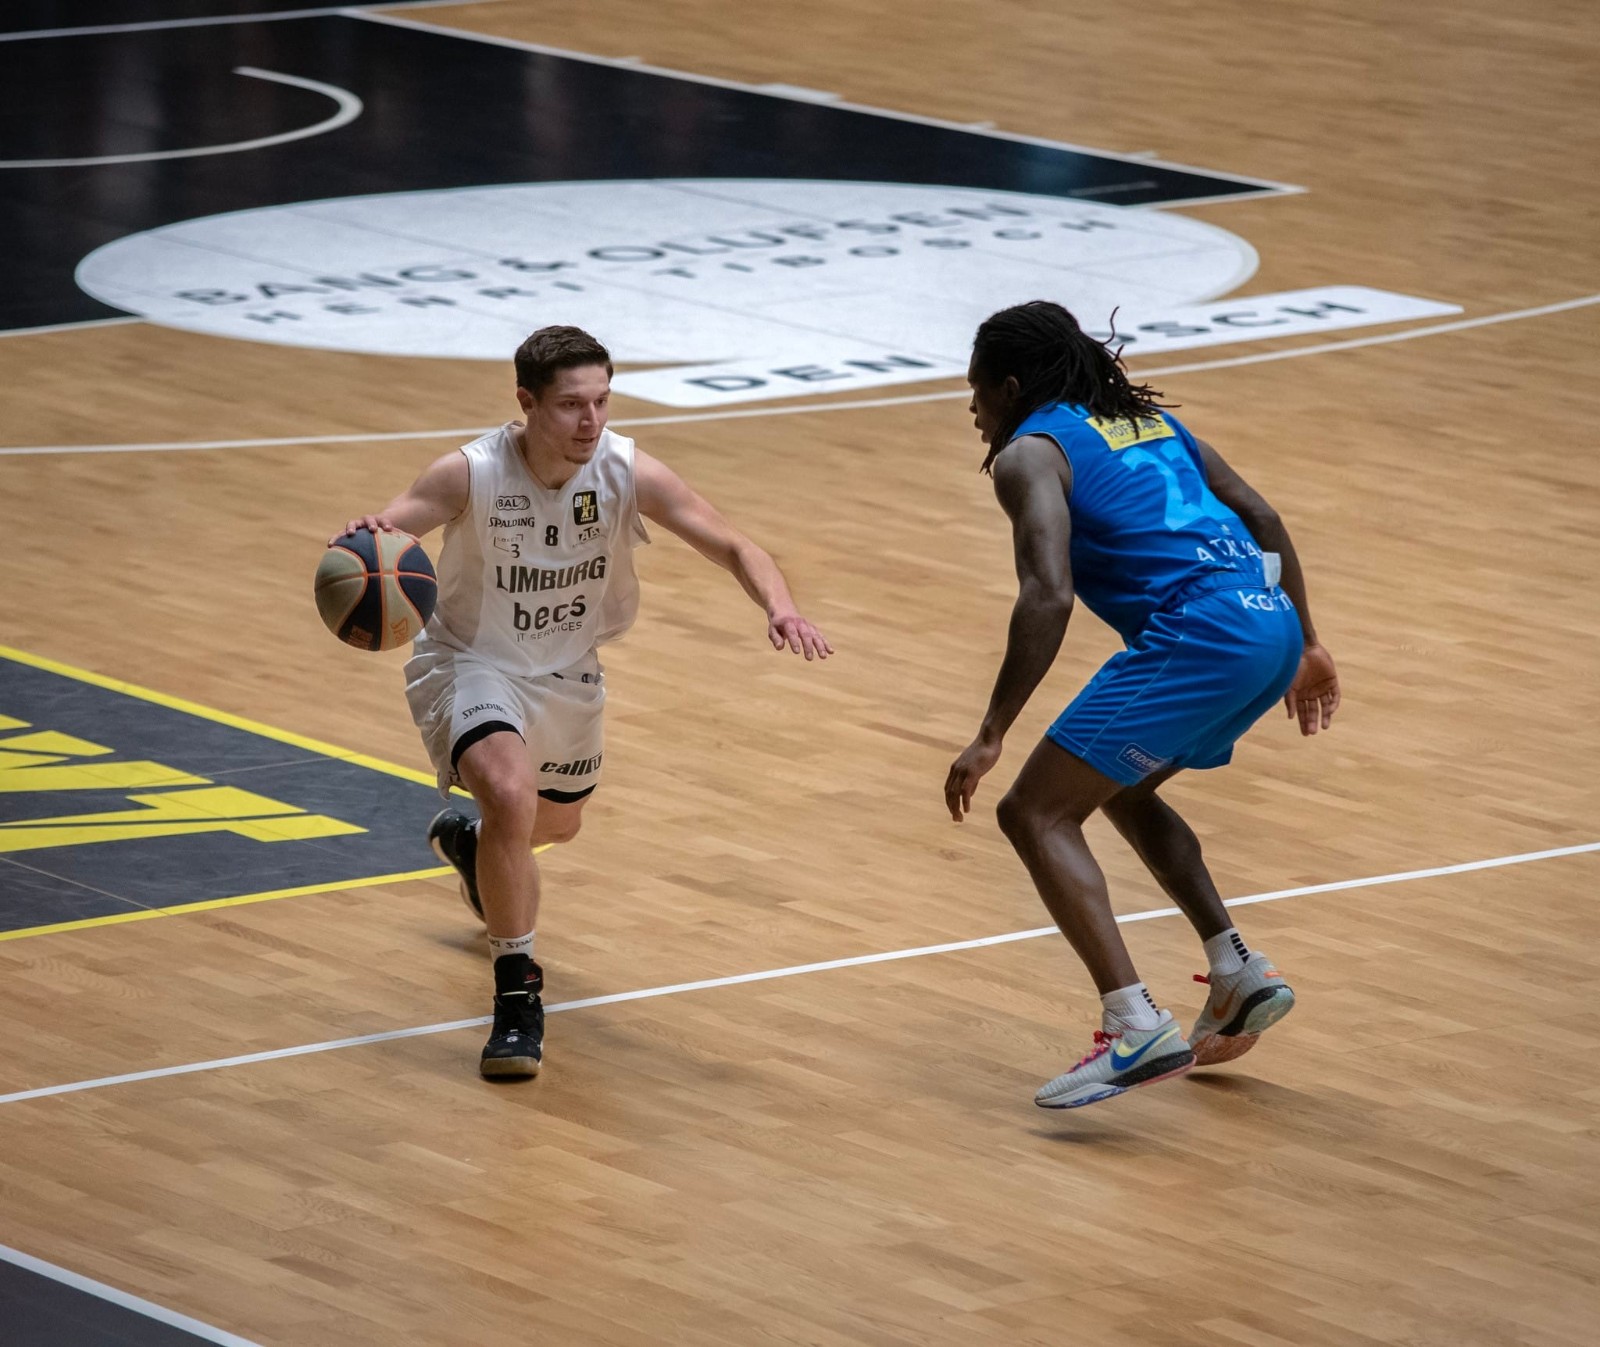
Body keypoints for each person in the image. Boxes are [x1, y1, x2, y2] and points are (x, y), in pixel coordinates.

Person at [331, 325, 830, 1079]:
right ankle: (517, 999)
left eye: (601, 401)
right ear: (527, 402)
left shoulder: (626, 469)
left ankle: (472, 849)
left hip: (567, 670)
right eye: (570, 405)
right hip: (472, 662)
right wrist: (364, 543)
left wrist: (780, 605)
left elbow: (735, 544)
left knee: (555, 825)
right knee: (509, 792)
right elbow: (386, 531)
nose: (590, 420)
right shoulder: (470, 472)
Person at [944, 300, 1339, 1111]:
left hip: (1201, 632)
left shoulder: (1030, 453)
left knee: (1033, 813)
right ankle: (1235, 968)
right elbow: (1261, 514)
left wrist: (991, 733)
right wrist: (1308, 640)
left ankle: (1135, 1024)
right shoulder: (1145, 422)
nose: (973, 410)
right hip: (1267, 623)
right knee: (1120, 787)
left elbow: (1048, 595)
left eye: (976, 390)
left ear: (1011, 387)